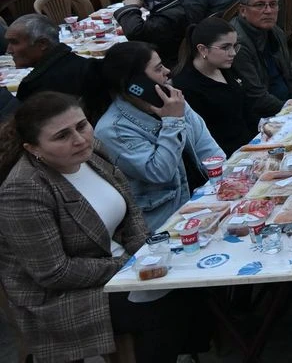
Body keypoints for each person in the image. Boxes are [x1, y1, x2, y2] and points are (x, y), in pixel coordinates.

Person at [0, 92, 190, 363]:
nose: (79, 139)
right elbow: (53, 272)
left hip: (118, 267)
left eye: (81, 125)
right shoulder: (24, 190)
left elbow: (130, 213)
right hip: (61, 297)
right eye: (61, 136)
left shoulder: (92, 153)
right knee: (162, 308)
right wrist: (129, 266)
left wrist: (146, 253)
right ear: (33, 149)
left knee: (190, 286)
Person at [91, 42, 224, 230]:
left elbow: (206, 147)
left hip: (205, 199)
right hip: (168, 220)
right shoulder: (113, 130)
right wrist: (172, 122)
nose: (168, 72)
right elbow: (159, 172)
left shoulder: (171, 99)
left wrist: (226, 182)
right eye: (158, 68)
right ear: (136, 85)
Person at [173, 18, 260, 153]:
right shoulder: (186, 86)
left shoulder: (225, 67)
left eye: (234, 46)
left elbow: (246, 109)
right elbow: (205, 139)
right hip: (226, 155)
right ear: (202, 49)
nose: (233, 53)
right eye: (225, 47)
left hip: (253, 143)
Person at [230, 0, 292, 117]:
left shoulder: (275, 31)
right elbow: (256, 97)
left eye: (273, 4)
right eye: (260, 5)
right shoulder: (237, 44)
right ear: (243, 11)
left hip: (289, 105)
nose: (268, 11)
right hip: (265, 115)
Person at [7, 14, 93, 101]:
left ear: (42, 44)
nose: (8, 50)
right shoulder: (84, 64)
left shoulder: (35, 89)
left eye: (14, 42)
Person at [113, 0, 189, 68]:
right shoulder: (183, 3)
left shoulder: (164, 20)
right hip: (187, 58)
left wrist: (131, 7)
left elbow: (135, 33)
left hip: (172, 65)